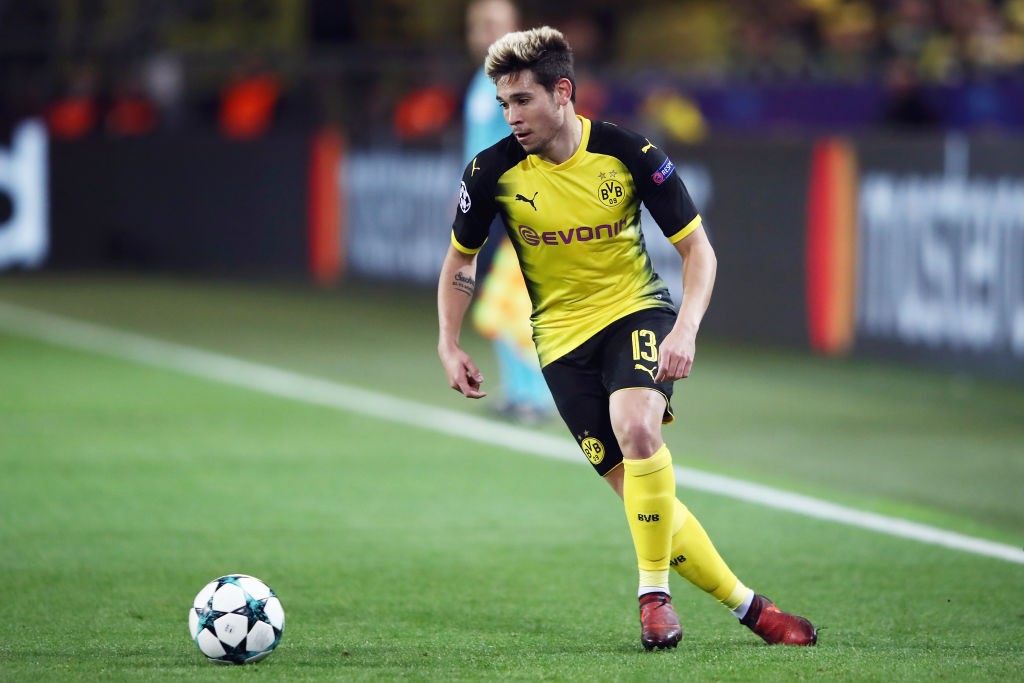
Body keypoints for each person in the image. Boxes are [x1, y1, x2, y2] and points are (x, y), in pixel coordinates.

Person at [437, 26, 817, 650]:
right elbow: (461, 259)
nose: (512, 116)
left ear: (563, 92)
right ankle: (753, 609)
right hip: (560, 344)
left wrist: (685, 329)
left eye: (523, 100)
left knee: (637, 426)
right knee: (640, 497)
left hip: (634, 313)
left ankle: (651, 595)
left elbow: (699, 251)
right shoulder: (491, 171)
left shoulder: (627, 152)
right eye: (504, 103)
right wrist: (449, 342)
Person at [464, 0, 555, 422]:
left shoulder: (521, 83)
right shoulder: (480, 83)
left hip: (514, 205)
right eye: (479, 25)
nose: (486, 33)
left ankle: (537, 396)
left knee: (519, 302)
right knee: (498, 301)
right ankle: (518, 390)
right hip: (486, 205)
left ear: (514, 29)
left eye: (494, 24)